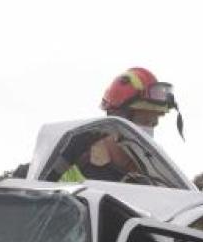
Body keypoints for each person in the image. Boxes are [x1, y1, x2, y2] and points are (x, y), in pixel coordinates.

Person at [10, 67, 183, 182]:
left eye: (155, 123)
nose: (150, 130)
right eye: (145, 122)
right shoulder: (70, 158)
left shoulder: (153, 177)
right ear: (117, 119)